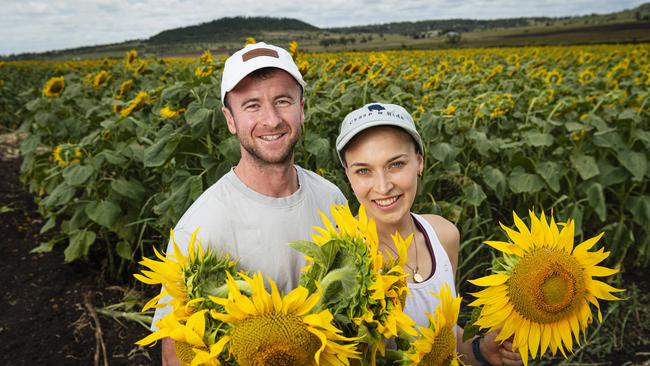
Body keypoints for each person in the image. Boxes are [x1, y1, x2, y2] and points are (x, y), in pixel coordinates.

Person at [152, 42, 346, 365]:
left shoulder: (331, 198)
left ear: (302, 108)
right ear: (230, 119)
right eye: (252, 106)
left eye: (282, 101)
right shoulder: (199, 229)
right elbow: (176, 350)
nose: (271, 120)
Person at [335, 102, 522, 365]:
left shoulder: (443, 235)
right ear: (348, 175)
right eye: (363, 170)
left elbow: (443, 339)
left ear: (419, 162)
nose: (383, 186)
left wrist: (482, 351)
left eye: (396, 164)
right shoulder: (338, 259)